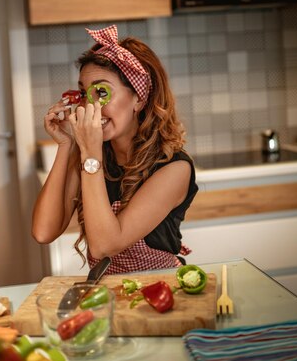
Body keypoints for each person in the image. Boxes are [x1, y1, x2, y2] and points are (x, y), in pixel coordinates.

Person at [32, 25, 198, 274]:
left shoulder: (174, 168)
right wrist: (66, 145)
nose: (90, 105)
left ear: (139, 98)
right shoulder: (93, 154)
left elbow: (104, 246)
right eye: (83, 93)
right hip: (107, 294)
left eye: (101, 92)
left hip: (159, 290)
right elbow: (44, 231)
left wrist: (89, 154)